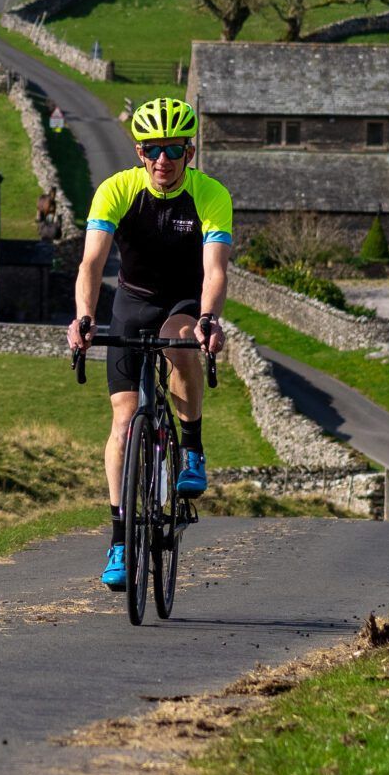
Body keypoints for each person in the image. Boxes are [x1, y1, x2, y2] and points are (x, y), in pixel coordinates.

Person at [64, 96, 232, 591]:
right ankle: (120, 539)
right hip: (131, 303)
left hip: (184, 300)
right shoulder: (116, 190)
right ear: (139, 152)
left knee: (180, 341)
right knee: (121, 422)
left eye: (174, 150)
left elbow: (216, 269)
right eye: (153, 149)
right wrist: (85, 317)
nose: (163, 160)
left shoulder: (209, 194)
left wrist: (208, 318)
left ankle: (193, 447)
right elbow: (91, 264)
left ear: (190, 152)